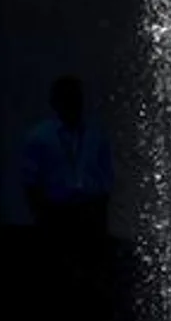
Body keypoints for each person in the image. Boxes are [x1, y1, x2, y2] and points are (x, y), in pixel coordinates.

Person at [21, 75, 114, 236]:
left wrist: (101, 208)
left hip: (90, 211)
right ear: (55, 102)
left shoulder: (96, 136)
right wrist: (40, 215)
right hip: (55, 212)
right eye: (68, 98)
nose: (73, 103)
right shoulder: (40, 137)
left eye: (76, 98)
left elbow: (106, 176)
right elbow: (30, 182)